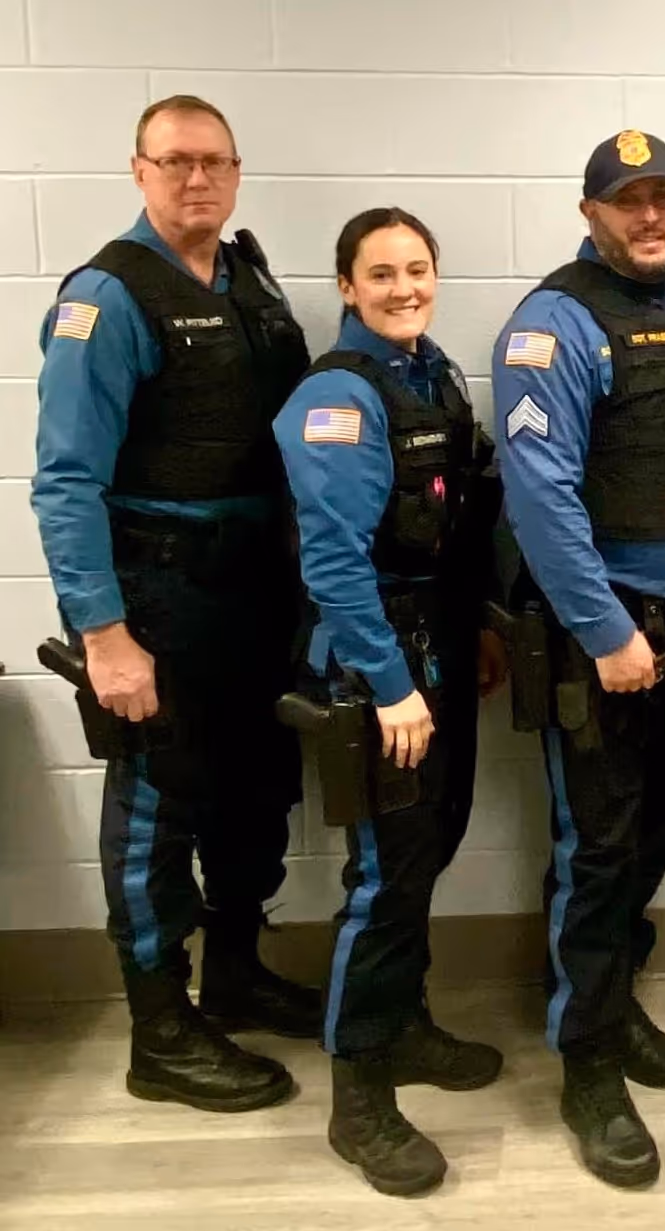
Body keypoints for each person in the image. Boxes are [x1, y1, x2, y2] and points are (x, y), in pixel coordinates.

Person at [30, 95, 316, 1113]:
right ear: (139, 170)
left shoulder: (249, 280)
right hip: (156, 597)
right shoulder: (108, 299)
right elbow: (63, 482)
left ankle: (233, 974)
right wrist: (105, 634)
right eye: (176, 162)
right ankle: (160, 1031)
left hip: (253, 593)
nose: (197, 180)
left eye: (214, 162)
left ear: (236, 172)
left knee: (253, 792)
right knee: (158, 814)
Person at [492, 131, 665, 1189]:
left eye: (664, 198)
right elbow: (540, 494)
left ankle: (614, 999)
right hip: (605, 633)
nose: (649, 218)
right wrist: (608, 633)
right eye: (626, 202)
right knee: (598, 851)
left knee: (653, 827)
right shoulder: (552, 324)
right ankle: (586, 1065)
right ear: (589, 212)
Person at [275, 208, 506, 1197]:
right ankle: (358, 1092)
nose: (404, 286)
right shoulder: (338, 396)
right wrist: (390, 685)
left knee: (424, 857)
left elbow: (457, 521)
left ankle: (404, 1025)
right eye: (382, 273)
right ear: (346, 286)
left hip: (441, 649)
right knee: (382, 881)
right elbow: (332, 557)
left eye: (417, 268)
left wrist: (484, 624)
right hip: (376, 674)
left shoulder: (433, 375)